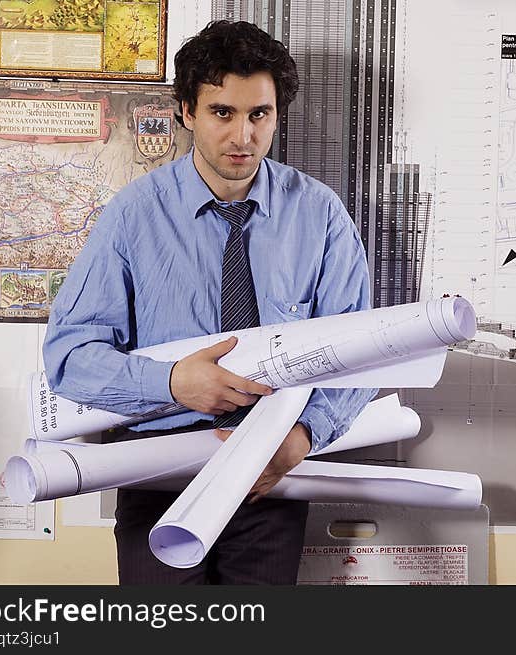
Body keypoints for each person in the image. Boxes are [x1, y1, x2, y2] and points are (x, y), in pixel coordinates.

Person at [43, 20, 376, 584]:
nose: (243, 136)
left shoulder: (319, 215)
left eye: (259, 115)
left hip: (272, 471)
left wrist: (303, 437)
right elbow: (68, 357)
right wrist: (172, 383)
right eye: (223, 112)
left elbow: (360, 351)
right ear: (185, 112)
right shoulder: (134, 215)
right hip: (158, 472)